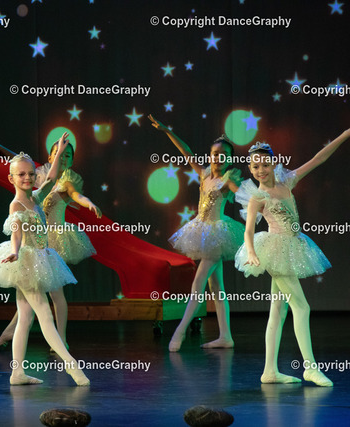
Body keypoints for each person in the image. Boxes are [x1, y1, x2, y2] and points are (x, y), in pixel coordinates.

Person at [235, 129, 349, 386]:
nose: (261, 170)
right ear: (250, 169)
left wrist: (344, 134)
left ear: (274, 163)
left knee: (278, 310)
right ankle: (310, 367)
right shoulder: (257, 198)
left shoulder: (286, 182)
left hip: (292, 244)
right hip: (275, 250)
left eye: (265, 164)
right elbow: (249, 230)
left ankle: (269, 371)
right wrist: (251, 251)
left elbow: (319, 159)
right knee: (302, 307)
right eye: (255, 166)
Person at [0, 133, 90, 386]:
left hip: (40, 258)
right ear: (12, 178)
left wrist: (58, 153)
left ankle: (17, 373)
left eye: (30, 173)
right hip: (26, 262)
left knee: (25, 318)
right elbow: (16, 233)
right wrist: (16, 251)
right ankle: (72, 367)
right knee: (45, 315)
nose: (28, 178)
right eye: (21, 175)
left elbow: (51, 178)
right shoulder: (17, 205)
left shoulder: (35, 198)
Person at [149, 115, 243, 351]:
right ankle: (226, 336)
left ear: (229, 159)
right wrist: (167, 130)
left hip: (217, 235)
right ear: (210, 155)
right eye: (215, 154)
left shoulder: (227, 180)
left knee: (198, 284)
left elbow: (243, 194)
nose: (218, 158)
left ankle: (179, 332)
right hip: (202, 230)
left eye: (224, 155)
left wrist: (262, 201)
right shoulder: (204, 175)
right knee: (216, 288)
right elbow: (185, 151)